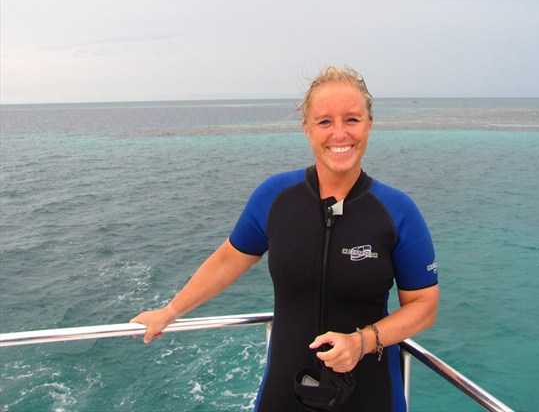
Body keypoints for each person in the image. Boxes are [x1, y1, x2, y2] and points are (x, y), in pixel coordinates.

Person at [131, 65, 439, 411]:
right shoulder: (275, 197)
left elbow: (424, 306)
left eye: (352, 119)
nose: (339, 133)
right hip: (285, 391)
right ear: (306, 128)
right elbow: (227, 260)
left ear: (369, 124)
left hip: (370, 393)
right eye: (324, 121)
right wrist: (170, 311)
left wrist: (362, 341)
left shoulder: (397, 211)